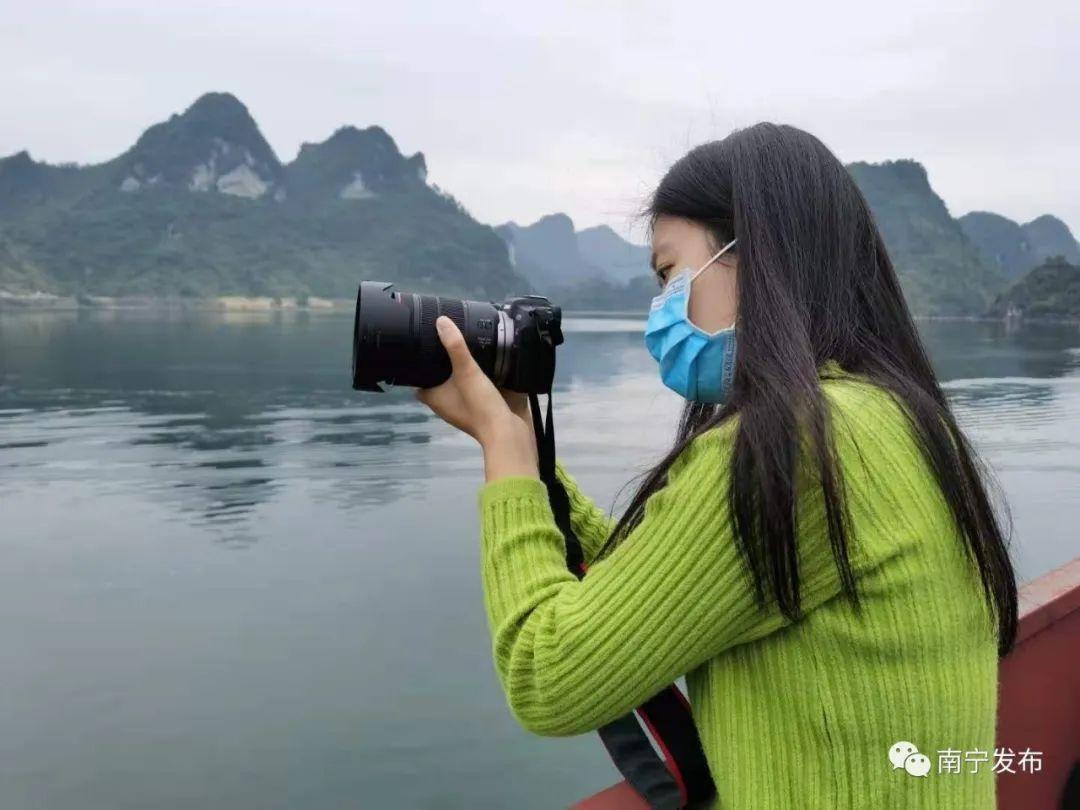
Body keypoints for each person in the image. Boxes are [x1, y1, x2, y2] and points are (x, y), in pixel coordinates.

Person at [415, 122, 1017, 809]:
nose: (660, 308)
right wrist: (524, 441)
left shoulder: (795, 445)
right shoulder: (895, 416)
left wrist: (502, 454)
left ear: (752, 254)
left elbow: (548, 675)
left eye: (670, 273)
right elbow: (673, 581)